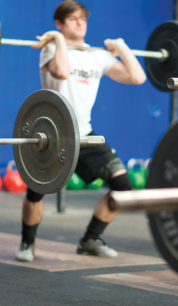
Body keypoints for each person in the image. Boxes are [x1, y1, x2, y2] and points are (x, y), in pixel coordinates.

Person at [15, 0, 147, 262]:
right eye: (73, 19)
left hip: (83, 134)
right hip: (50, 135)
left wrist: (122, 48)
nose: (80, 23)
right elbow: (61, 71)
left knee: (123, 186)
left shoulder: (97, 55)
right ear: (60, 24)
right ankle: (27, 244)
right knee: (35, 191)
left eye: (83, 18)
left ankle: (90, 239)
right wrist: (57, 40)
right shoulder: (50, 49)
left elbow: (137, 77)